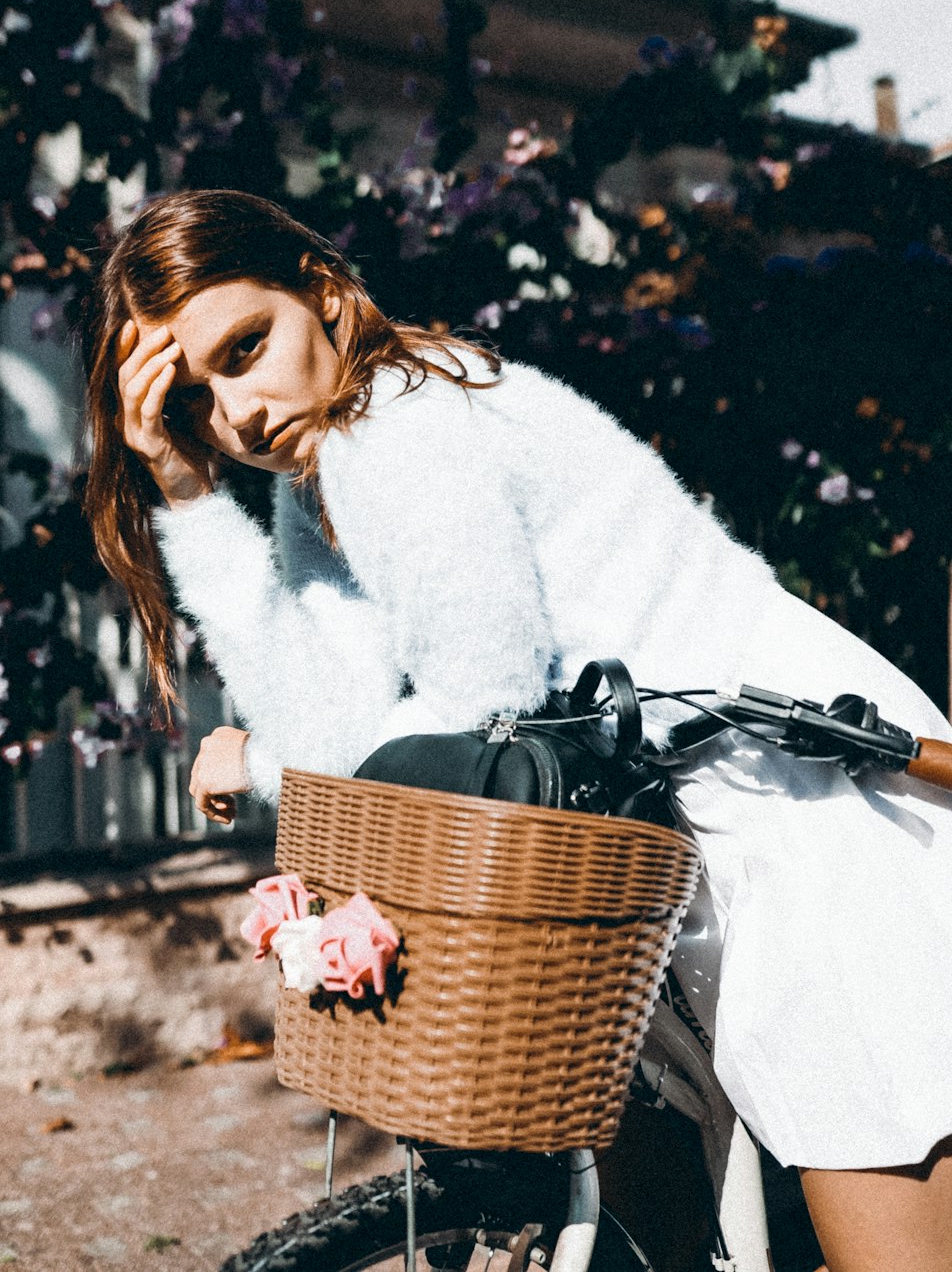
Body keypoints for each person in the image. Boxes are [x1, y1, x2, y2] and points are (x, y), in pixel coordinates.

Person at [86, 187, 952, 1272]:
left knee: (879, 1213)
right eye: (192, 404)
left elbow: (472, 712)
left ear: (320, 290)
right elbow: (335, 721)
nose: (240, 415)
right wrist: (184, 493)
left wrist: (262, 763)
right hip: (655, 831)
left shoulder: (403, 430)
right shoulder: (326, 473)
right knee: (654, 1218)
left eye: (246, 347)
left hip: (801, 799)